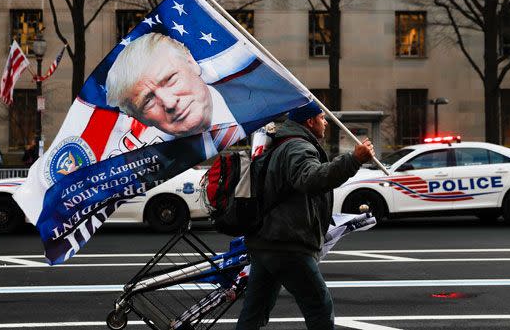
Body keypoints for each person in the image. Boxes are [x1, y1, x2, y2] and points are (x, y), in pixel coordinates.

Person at [235, 101, 375, 330]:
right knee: (319, 306)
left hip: (265, 240)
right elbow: (311, 179)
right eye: (322, 117)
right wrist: (354, 160)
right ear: (310, 121)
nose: (326, 122)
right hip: (287, 243)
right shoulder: (298, 147)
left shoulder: (283, 144)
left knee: (255, 311)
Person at [106, 33, 243, 140]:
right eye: (147, 101)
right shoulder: (148, 166)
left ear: (191, 63)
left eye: (170, 79)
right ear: (139, 118)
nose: (169, 103)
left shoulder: (259, 101)